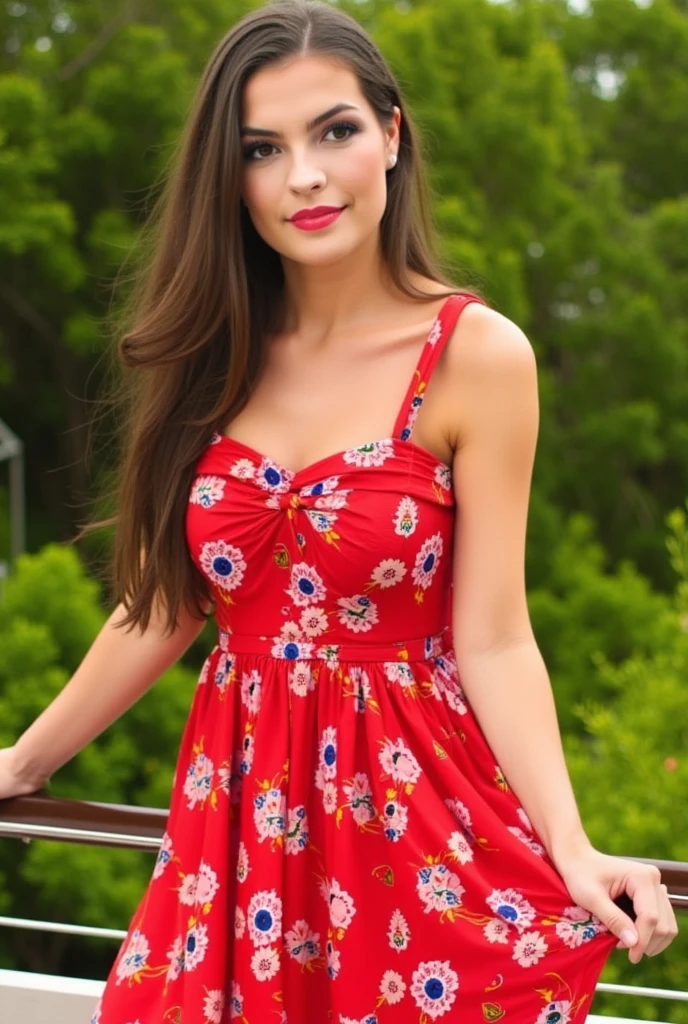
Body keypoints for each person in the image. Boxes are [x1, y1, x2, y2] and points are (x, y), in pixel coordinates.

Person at [0, 1, 678, 1021]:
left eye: (335, 131)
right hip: (231, 834)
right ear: (228, 179)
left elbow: (492, 636)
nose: (304, 177)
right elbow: (163, 606)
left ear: (392, 135)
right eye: (262, 149)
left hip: (412, 835)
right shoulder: (210, 353)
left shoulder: (476, 356)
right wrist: (23, 761)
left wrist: (571, 844)